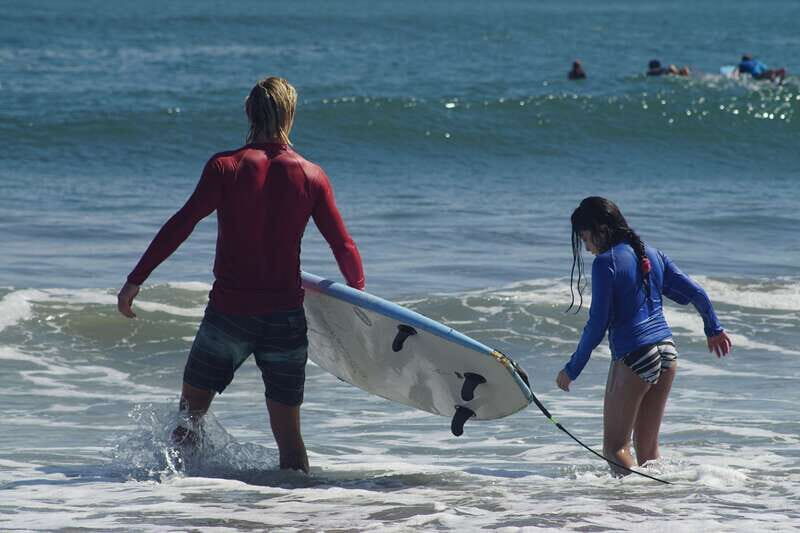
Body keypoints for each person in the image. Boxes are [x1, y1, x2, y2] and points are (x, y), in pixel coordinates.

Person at [116, 76, 365, 474]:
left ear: (249, 112)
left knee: (188, 422)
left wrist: (135, 280)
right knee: (289, 438)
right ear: (290, 114)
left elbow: (181, 224)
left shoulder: (225, 167)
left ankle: (178, 502)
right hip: (284, 319)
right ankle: (299, 511)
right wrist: (359, 299)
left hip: (229, 315)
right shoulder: (311, 175)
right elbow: (343, 246)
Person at [555, 197, 731, 477]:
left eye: (585, 238)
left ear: (600, 229)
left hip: (635, 355)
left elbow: (597, 324)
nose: (586, 247)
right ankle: (655, 510)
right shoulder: (651, 253)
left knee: (614, 449)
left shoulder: (605, 262)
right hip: (667, 353)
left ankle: (633, 510)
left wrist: (572, 369)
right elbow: (695, 293)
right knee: (647, 450)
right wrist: (714, 329)